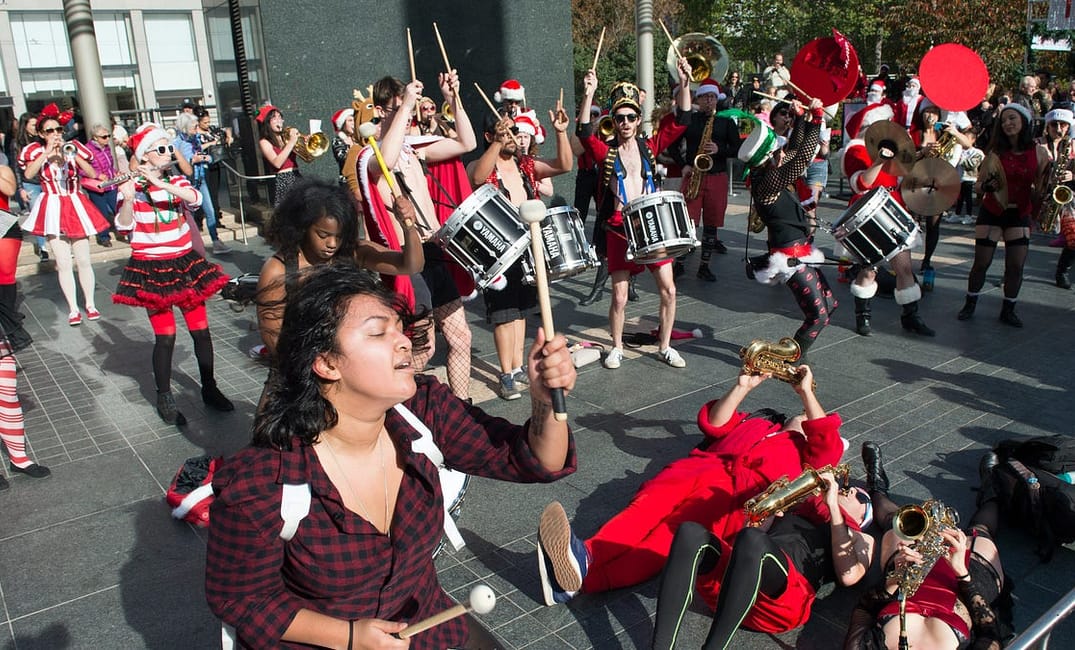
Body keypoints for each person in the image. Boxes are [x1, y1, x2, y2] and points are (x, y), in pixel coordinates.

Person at [205, 262, 578, 649]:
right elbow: (240, 600)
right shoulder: (264, 482)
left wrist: (545, 402)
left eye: (399, 327)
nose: (403, 340)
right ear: (326, 363)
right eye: (378, 332)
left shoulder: (425, 411)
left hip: (420, 616)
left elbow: (537, 460)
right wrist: (349, 636)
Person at [535, 365, 845, 606]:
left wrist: (806, 393)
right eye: (803, 415)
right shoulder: (760, 424)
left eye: (811, 419)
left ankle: (581, 572)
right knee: (644, 510)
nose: (806, 419)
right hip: (700, 468)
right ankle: (580, 567)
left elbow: (828, 448)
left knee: (662, 543)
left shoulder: (809, 454)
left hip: (732, 497)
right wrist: (741, 387)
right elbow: (715, 423)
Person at [651, 469, 875, 649]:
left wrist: (833, 507)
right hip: (735, 587)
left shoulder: (860, 536)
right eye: (848, 488)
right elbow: (746, 539)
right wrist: (767, 508)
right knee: (690, 532)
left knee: (753, 540)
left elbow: (849, 576)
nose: (850, 491)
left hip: (785, 599)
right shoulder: (798, 508)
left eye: (859, 496)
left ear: (863, 516)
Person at [357, 72, 477, 402]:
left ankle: (461, 406)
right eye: (399, 107)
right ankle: (406, 407)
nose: (408, 113)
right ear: (381, 110)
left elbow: (467, 144)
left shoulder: (413, 147)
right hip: (407, 259)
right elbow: (386, 161)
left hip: (433, 249)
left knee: (461, 336)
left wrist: (454, 98)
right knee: (422, 346)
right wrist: (408, 102)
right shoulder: (371, 154)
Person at [112, 123, 233, 426]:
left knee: (201, 331)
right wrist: (127, 198)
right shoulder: (134, 188)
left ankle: (210, 387)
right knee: (165, 338)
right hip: (152, 267)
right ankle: (165, 397)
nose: (168, 153)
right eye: (161, 149)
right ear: (145, 156)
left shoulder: (175, 179)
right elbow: (124, 227)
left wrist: (161, 183)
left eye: (168, 148)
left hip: (184, 263)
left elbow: (192, 197)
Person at [576, 61, 692, 370]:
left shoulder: (650, 147)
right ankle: (616, 347)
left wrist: (684, 83)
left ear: (638, 119)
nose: (625, 122)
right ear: (613, 121)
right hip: (618, 228)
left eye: (630, 117)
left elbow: (682, 118)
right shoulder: (607, 151)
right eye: (620, 118)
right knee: (620, 297)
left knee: (669, 289)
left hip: (652, 227)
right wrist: (588, 94)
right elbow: (585, 132)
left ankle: (664, 346)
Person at [846, 445, 1010, 650]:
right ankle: (990, 487)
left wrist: (895, 579)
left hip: (906, 580)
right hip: (966, 585)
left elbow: (863, 610)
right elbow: (990, 634)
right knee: (980, 532)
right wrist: (962, 573)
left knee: (896, 524)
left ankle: (876, 484)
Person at [466, 101, 572, 400]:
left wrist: (561, 132)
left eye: (514, 131)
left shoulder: (525, 164)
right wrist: (497, 143)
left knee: (522, 310)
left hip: (528, 245)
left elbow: (564, 165)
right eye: (505, 132)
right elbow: (476, 177)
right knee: (503, 312)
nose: (513, 136)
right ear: (490, 136)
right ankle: (506, 373)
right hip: (497, 248)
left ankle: (516, 366)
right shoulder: (481, 163)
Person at [256, 178, 423, 358]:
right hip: (301, 368)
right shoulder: (277, 270)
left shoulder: (353, 253)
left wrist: (409, 227)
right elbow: (273, 338)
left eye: (339, 236)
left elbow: (411, 265)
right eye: (323, 235)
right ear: (303, 228)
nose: (332, 244)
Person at [741, 98, 837, 359]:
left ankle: (794, 355)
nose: (781, 152)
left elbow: (794, 149)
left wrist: (802, 118)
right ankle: (791, 359)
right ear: (767, 158)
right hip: (791, 259)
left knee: (829, 305)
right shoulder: (769, 182)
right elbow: (804, 155)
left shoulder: (767, 172)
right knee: (818, 317)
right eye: (776, 151)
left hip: (801, 253)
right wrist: (817, 117)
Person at [841, 105, 935, 338]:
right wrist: (880, 160)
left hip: (894, 211)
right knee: (869, 269)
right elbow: (861, 184)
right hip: (868, 216)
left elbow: (900, 182)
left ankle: (910, 316)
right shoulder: (856, 150)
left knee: (904, 268)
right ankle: (863, 316)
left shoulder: (894, 149)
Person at [957, 103, 1049, 327]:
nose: (1008, 123)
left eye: (1012, 119)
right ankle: (970, 303)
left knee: (1016, 265)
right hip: (992, 212)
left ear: (1024, 121)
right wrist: (987, 186)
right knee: (982, 262)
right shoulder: (995, 152)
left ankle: (1009, 309)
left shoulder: (1038, 151)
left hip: (1020, 213)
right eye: (1004, 120)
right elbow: (977, 186)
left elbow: (1042, 185)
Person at [18, 104, 110, 326]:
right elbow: (29, 173)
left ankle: (89, 304)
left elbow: (92, 173)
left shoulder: (74, 147)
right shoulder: (34, 151)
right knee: (63, 262)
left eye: (58, 129)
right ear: (41, 134)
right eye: (49, 131)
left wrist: (74, 156)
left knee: (83, 259)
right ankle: (72, 308)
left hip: (75, 202)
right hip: (52, 204)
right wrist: (47, 154)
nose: (55, 134)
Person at [676, 79, 740, 281]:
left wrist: (720, 150)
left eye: (712, 97)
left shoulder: (726, 121)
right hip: (694, 175)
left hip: (717, 176)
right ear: (699, 99)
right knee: (687, 223)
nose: (709, 101)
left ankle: (704, 265)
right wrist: (682, 164)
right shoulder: (691, 120)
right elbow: (672, 144)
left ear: (716, 99)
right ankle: (679, 263)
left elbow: (738, 149)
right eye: (705, 97)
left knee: (712, 223)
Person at [175, 112, 231, 255]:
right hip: (188, 183)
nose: (196, 129)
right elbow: (180, 163)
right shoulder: (177, 143)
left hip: (201, 179)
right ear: (185, 128)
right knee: (190, 217)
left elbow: (208, 157)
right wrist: (192, 160)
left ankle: (216, 241)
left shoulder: (196, 140)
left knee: (210, 211)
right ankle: (192, 246)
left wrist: (206, 158)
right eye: (193, 127)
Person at [1038, 108, 1075, 289]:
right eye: (1054, 124)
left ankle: (1062, 271)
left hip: (1066, 196)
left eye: (1063, 125)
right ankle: (1011, 272)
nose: (1058, 128)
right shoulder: (1038, 144)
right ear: (1047, 126)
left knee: (1073, 237)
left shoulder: (1073, 146)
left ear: (1069, 127)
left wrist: (1072, 175)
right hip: (1039, 194)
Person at [256, 104, 301, 206]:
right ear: (267, 123)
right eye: (274, 118)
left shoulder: (286, 138)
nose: (279, 121)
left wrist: (306, 141)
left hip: (297, 175)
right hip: (283, 180)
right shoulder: (264, 142)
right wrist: (292, 142)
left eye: (280, 117)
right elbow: (277, 163)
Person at [83, 123, 119, 247]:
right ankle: (104, 236)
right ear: (95, 137)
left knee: (118, 208)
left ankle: (125, 230)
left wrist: (115, 173)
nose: (107, 139)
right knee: (101, 213)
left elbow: (109, 165)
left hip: (111, 184)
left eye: (108, 136)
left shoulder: (107, 148)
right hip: (97, 187)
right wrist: (97, 175)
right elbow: (81, 169)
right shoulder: (87, 150)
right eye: (104, 137)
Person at [193, 106, 230, 226]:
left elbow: (226, 129)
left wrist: (228, 137)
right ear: (198, 122)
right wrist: (211, 143)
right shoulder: (195, 134)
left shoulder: (212, 130)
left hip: (215, 163)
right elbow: (196, 148)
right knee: (203, 192)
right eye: (205, 122)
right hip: (202, 166)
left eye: (209, 122)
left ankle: (215, 217)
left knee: (214, 192)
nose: (208, 124)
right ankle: (199, 219)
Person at [329, 107, 356, 178]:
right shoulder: (338, 140)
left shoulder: (359, 139)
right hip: (347, 180)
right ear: (343, 124)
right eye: (350, 120)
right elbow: (342, 158)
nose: (353, 123)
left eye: (355, 120)